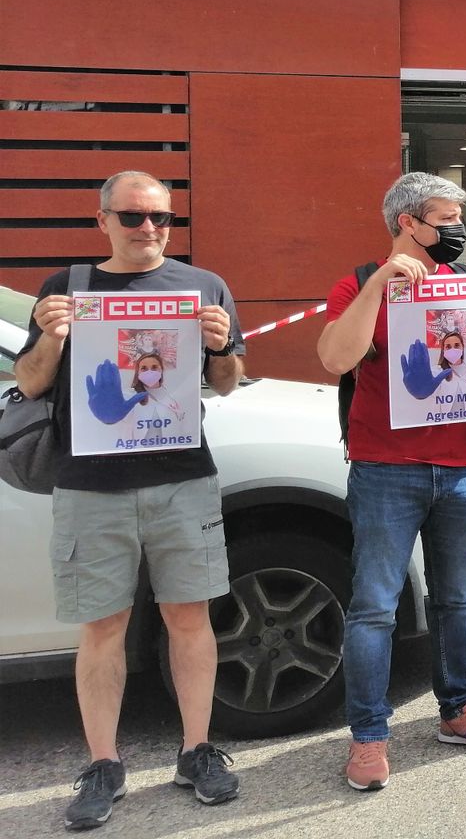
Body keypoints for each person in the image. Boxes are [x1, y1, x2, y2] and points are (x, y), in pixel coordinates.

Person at [16, 171, 245, 829]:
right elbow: (29, 384)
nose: (149, 229)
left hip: (182, 477)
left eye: (162, 219)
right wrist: (52, 336)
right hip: (91, 486)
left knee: (189, 618)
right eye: (133, 217)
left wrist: (221, 343)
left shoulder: (204, 287)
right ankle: (103, 764)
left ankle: (197, 751)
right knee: (102, 627)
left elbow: (226, 383)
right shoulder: (69, 286)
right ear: (103, 221)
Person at [317, 172, 466, 792]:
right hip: (385, 471)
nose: (458, 231)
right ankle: (369, 735)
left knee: (457, 600)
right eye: (447, 220)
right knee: (375, 607)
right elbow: (334, 357)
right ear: (409, 223)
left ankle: (460, 710)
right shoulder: (357, 283)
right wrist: (380, 285)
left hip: (461, 467)